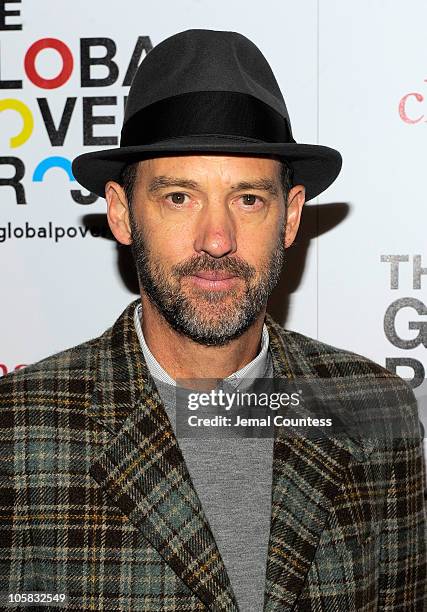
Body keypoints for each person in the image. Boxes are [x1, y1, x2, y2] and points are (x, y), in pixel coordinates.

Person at [0, 29, 425, 612]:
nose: (218, 239)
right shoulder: (18, 431)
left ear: (290, 216)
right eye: (179, 197)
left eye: (248, 199)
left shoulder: (376, 411)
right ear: (123, 214)